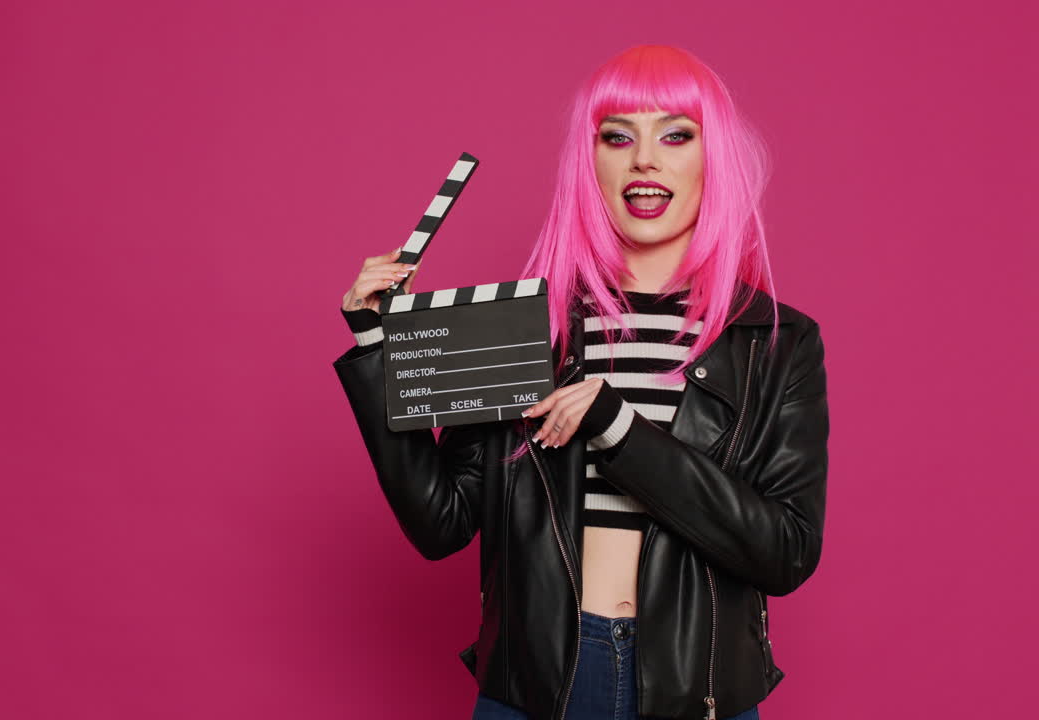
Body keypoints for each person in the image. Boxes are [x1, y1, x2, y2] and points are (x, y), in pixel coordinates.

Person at [332, 44, 828, 720]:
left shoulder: (776, 342)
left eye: (676, 134)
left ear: (714, 160)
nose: (644, 159)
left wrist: (618, 429)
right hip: (539, 681)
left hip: (698, 687)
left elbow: (786, 552)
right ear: (589, 161)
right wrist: (375, 345)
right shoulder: (522, 328)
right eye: (616, 136)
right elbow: (440, 522)